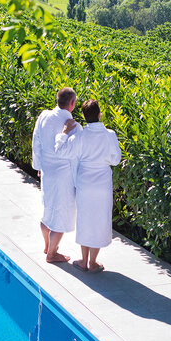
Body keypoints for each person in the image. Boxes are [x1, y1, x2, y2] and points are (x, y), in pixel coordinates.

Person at [56, 99, 122, 273]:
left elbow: (61, 151)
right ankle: (93, 262)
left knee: (85, 220)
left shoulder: (80, 136)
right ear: (100, 114)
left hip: (85, 182)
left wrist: (63, 133)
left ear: (84, 117)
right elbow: (115, 160)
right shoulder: (110, 134)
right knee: (99, 221)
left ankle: (84, 261)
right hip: (102, 184)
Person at [31, 87, 78, 263]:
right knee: (62, 213)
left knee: (48, 208)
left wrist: (38, 165)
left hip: (47, 171)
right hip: (63, 174)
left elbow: (36, 141)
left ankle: (47, 245)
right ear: (72, 104)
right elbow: (74, 154)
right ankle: (52, 254)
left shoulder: (44, 115)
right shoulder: (71, 124)